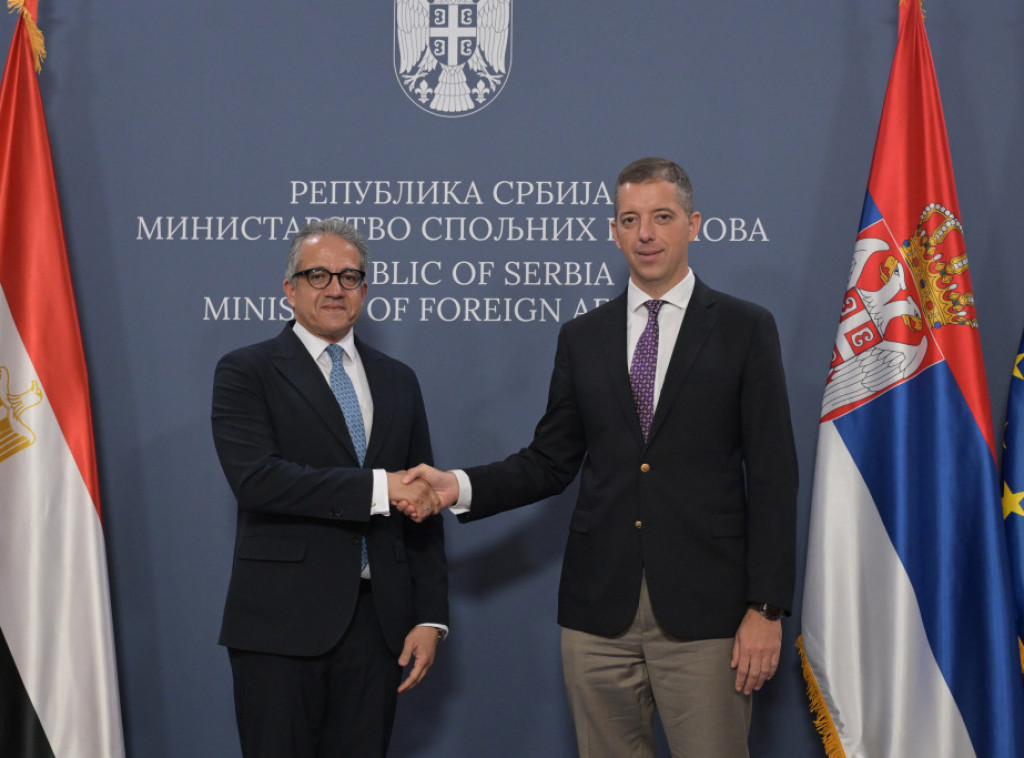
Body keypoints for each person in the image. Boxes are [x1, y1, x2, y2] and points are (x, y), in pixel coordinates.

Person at [402, 158, 798, 758]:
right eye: (630, 220)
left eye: (662, 217)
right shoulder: (582, 336)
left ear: (693, 225)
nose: (646, 234)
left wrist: (765, 608)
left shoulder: (745, 328)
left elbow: (773, 476)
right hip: (598, 614)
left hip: (707, 613)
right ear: (614, 232)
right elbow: (549, 460)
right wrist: (456, 486)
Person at [211, 218, 448, 758]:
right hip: (280, 627)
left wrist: (429, 616)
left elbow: (423, 501)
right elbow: (257, 480)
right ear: (289, 289)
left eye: (349, 276)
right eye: (317, 275)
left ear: (365, 290)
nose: (335, 288)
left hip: (378, 626)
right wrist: (379, 488)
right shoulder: (246, 371)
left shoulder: (399, 379)